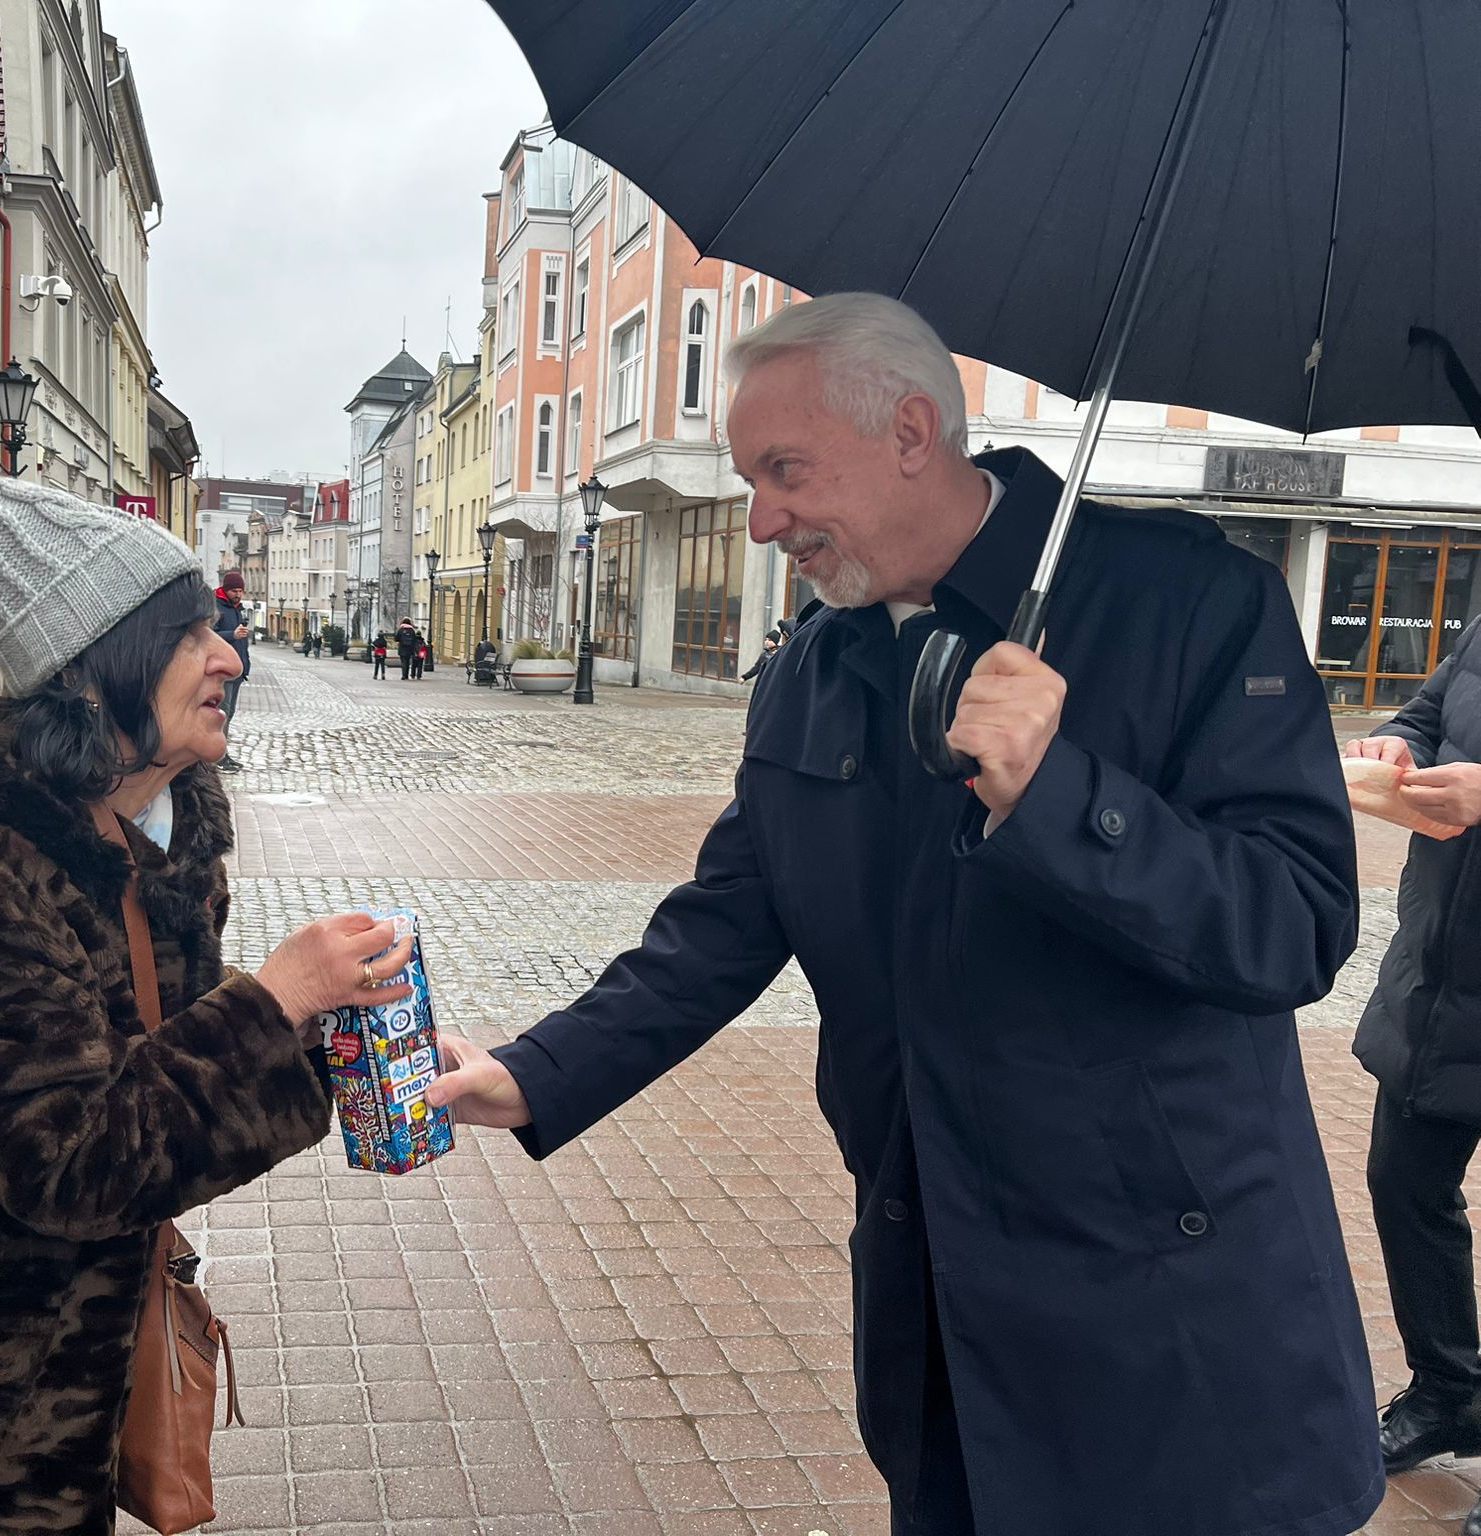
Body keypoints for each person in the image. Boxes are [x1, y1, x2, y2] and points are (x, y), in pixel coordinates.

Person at [428, 293, 1381, 1536]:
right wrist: (528, 1075)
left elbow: (1292, 926)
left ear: (912, 431)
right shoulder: (814, 669)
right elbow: (719, 927)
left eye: (783, 473)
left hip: (1167, 1321)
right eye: (747, 480)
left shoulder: (1187, 606)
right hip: (934, 1299)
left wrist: (1063, 796)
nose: (761, 521)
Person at [0, 462, 413, 1536]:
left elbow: (154, 1072)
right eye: (192, 637)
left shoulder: (153, 829)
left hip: (43, 1375)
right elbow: (72, 1161)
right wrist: (271, 1002)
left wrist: (331, 1036)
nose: (229, 659)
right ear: (96, 669)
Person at [1347, 624, 1481, 1528]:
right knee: (1404, 1183)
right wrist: (1400, 743)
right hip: (1446, 976)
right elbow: (1428, 712)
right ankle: (1449, 1392)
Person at [212, 570, 251, 771]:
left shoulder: (238, 609)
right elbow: (209, 635)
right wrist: (232, 635)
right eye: (234, 591)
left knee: (230, 712)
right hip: (223, 670)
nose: (238, 594)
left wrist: (246, 663)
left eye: (241, 591)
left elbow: (242, 642)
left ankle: (223, 753)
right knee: (222, 713)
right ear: (226, 590)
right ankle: (218, 756)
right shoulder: (216, 607)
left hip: (237, 672)